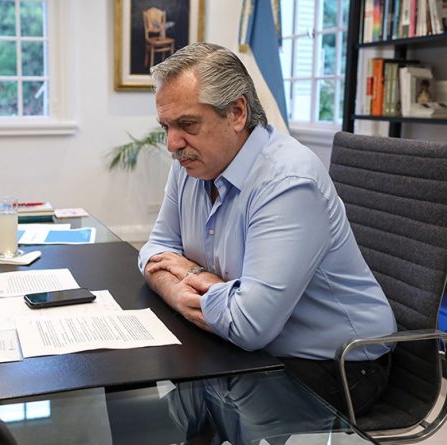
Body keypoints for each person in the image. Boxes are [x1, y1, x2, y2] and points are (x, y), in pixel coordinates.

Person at [138, 42, 396, 416]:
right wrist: (181, 292)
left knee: (193, 412)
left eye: (187, 125)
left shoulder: (287, 182)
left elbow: (248, 325)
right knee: (145, 403)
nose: (172, 144)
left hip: (337, 362)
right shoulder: (190, 165)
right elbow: (154, 251)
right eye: (166, 127)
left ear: (237, 112)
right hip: (248, 348)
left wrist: (189, 274)